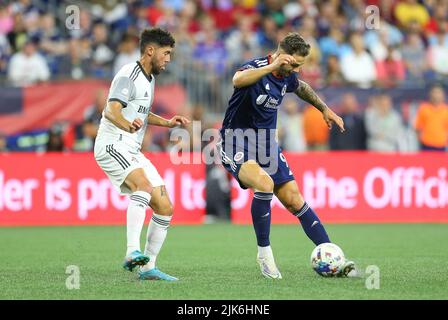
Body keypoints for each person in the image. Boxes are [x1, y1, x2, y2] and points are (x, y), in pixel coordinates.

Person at [217, 33, 356, 279]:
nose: (295, 69)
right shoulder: (258, 67)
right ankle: (265, 256)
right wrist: (272, 65)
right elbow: (237, 80)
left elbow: (301, 87)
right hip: (236, 140)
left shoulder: (288, 75)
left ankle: (333, 255)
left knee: (294, 199)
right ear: (281, 54)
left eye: (299, 66)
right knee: (264, 184)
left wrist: (325, 109)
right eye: (293, 64)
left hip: (267, 145)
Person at [94, 28, 190, 281]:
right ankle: (131, 252)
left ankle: (148, 267)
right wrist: (127, 126)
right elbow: (112, 111)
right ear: (150, 50)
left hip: (131, 148)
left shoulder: (149, 78)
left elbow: (141, 112)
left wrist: (167, 123)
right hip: (112, 143)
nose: (168, 59)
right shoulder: (129, 74)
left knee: (165, 206)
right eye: (166, 53)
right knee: (144, 187)